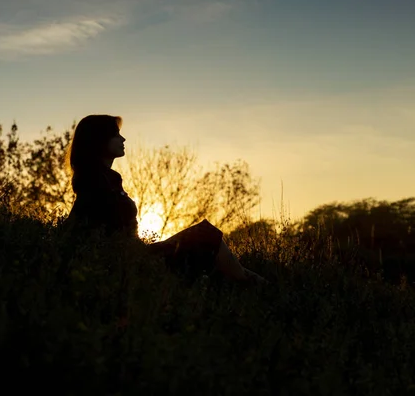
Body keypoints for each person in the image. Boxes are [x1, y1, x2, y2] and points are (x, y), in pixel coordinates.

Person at [65, 114, 266, 286]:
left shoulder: (108, 178)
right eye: (116, 134)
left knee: (209, 246)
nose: (123, 139)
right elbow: (81, 224)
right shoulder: (93, 180)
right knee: (206, 235)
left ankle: (258, 286)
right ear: (99, 140)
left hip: (136, 257)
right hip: (132, 261)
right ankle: (257, 288)